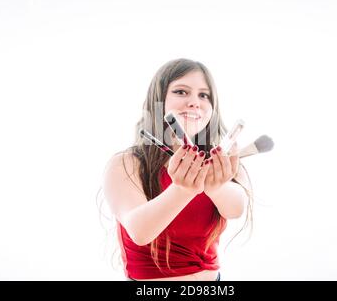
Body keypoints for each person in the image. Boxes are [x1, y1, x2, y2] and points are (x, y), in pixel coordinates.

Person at [102, 58, 253, 281]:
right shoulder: (126, 163)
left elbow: (236, 209)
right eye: (181, 92)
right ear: (158, 100)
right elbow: (140, 232)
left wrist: (217, 187)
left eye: (204, 95)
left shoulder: (222, 160)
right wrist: (182, 191)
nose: (195, 102)